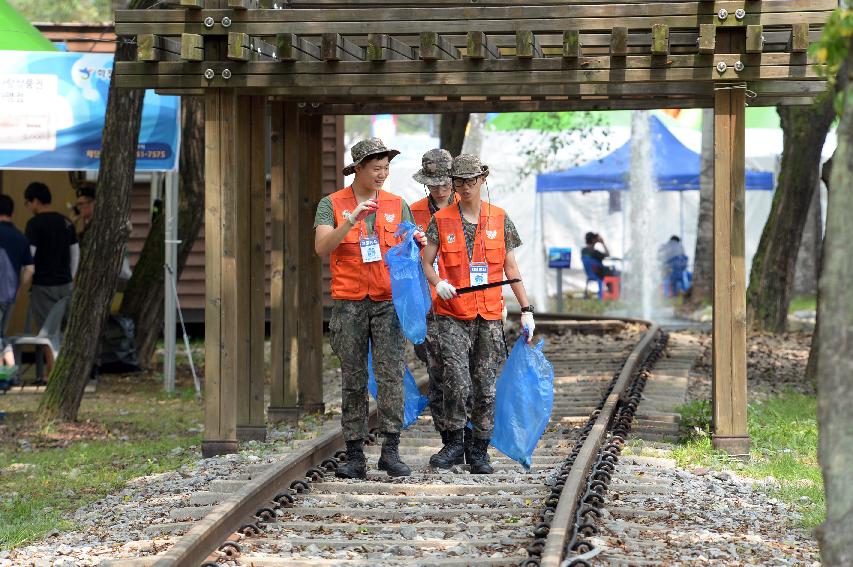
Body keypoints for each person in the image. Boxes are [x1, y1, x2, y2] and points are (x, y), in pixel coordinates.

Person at [314, 138, 425, 480]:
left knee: (391, 374)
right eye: (375, 168)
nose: (382, 174)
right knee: (354, 377)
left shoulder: (397, 204)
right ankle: (354, 454)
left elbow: (408, 258)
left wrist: (417, 245)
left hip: (387, 302)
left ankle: (390, 450)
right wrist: (349, 222)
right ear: (358, 168)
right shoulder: (331, 204)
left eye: (386, 168)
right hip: (349, 303)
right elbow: (321, 247)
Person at [421, 154, 535, 474]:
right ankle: (456, 441)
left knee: (485, 384)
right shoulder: (441, 220)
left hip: (488, 314)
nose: (465, 187)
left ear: (482, 180)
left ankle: (480, 448)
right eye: (459, 182)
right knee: (457, 380)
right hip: (452, 313)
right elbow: (427, 263)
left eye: (471, 181)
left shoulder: (500, 218)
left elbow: (511, 268)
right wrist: (438, 282)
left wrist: (526, 309)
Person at [409, 148, 466, 459]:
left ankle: (470, 437)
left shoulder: (469, 209)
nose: (440, 189)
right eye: (434, 183)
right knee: (439, 374)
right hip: (427, 307)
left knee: (467, 374)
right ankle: (449, 438)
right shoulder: (413, 212)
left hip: (465, 304)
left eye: (446, 183)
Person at [23, 182, 79, 333]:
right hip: (66, 284)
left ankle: (53, 358)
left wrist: (23, 279)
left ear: (35, 200)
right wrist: (70, 276)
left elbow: (30, 255)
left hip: (43, 286)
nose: (28, 207)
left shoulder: (34, 224)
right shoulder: (66, 222)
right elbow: (75, 254)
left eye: (27, 202)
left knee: (47, 333)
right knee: (66, 331)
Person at [0, 194, 34, 371]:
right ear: (12, 211)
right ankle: (9, 373)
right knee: (1, 335)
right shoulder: (20, 237)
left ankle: (11, 373)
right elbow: (30, 268)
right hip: (10, 294)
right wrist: (18, 287)